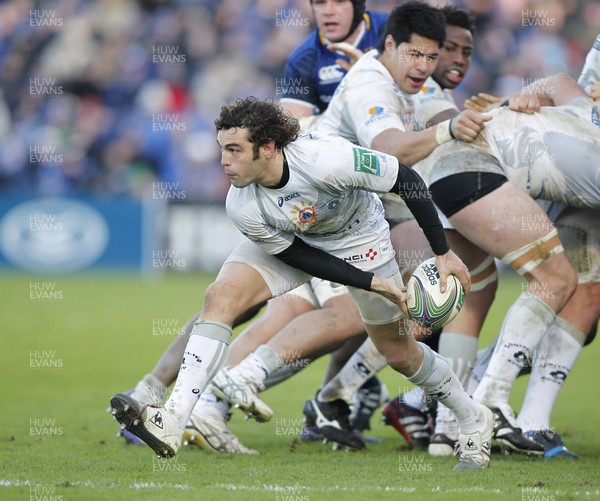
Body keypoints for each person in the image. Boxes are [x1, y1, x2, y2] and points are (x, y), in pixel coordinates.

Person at [110, 96, 495, 471]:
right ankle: (175, 417)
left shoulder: (327, 159)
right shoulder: (241, 204)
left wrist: (443, 253)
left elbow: (406, 179)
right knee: (221, 295)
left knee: (399, 353)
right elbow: (299, 258)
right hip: (296, 240)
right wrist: (371, 284)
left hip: (361, 238)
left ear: (268, 147)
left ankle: (473, 417)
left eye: (234, 149)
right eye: (221, 149)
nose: (224, 161)